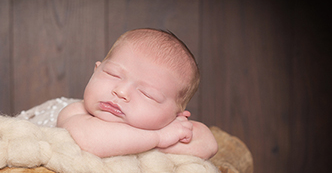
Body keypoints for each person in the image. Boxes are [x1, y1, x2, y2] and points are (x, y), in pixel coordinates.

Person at [56, 28, 218, 159]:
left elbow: (208, 145)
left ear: (175, 115)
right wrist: (158, 138)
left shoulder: (170, 124)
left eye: (148, 94)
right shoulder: (76, 111)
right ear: (96, 70)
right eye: (113, 74)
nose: (120, 92)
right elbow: (88, 140)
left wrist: (167, 132)